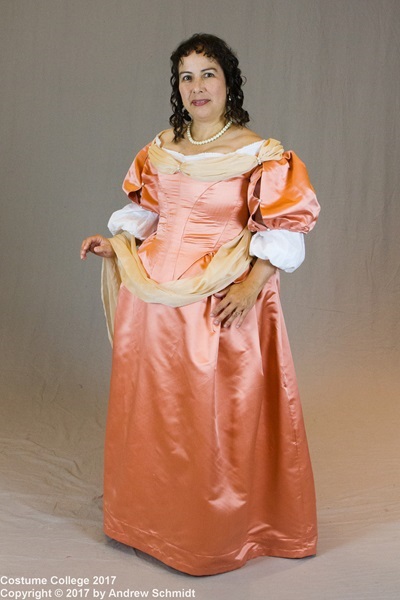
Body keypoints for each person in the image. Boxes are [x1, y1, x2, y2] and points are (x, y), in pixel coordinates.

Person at [80, 33, 320, 576]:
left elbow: (281, 230)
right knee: (155, 410)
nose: (197, 86)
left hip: (219, 293)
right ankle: (147, 521)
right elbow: (148, 217)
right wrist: (112, 246)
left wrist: (251, 285)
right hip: (152, 298)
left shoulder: (260, 153)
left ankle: (212, 532)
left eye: (207, 73)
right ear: (178, 88)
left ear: (228, 80)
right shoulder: (162, 149)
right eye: (186, 76)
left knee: (211, 418)